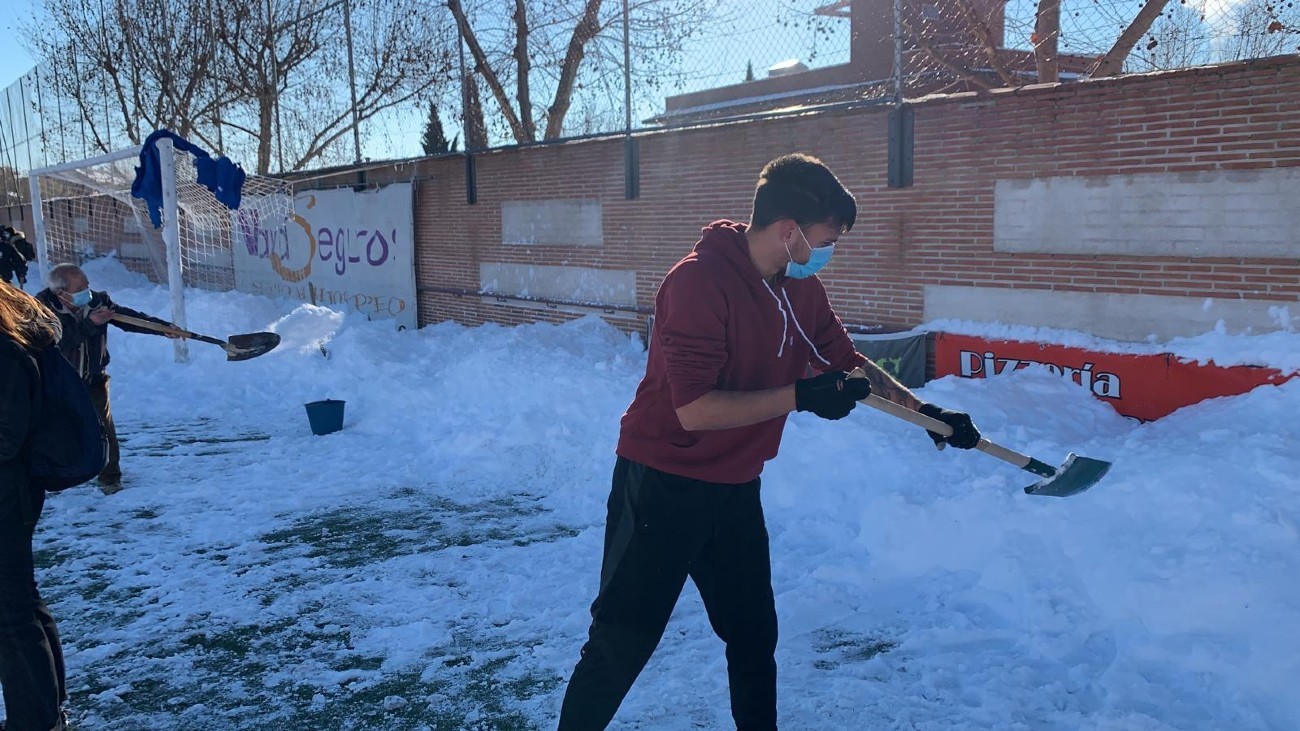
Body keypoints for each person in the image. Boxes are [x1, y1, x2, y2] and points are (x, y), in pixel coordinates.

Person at [556, 153, 983, 730]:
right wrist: (802, 397)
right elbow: (695, 410)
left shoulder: (798, 288)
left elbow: (846, 362)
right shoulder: (697, 283)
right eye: (826, 239)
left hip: (734, 488)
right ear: (789, 233)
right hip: (662, 482)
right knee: (622, 642)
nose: (827, 252)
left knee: (754, 637)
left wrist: (926, 410)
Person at [35, 263, 178, 495]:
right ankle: (53, 474)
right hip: (59, 382)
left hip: (94, 378)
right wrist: (91, 324)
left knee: (103, 427)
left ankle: (110, 476)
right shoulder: (41, 310)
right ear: (61, 293)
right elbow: (60, 341)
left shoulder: (98, 302)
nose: (87, 292)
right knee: (55, 429)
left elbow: (127, 318)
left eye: (87, 285)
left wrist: (161, 328)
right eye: (80, 288)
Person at [0, 281, 69, 731]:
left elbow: (6, 434)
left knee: (10, 615)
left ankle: (35, 720)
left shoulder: (6, 350)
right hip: (13, 489)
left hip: (7, 492)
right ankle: (48, 707)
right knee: (20, 602)